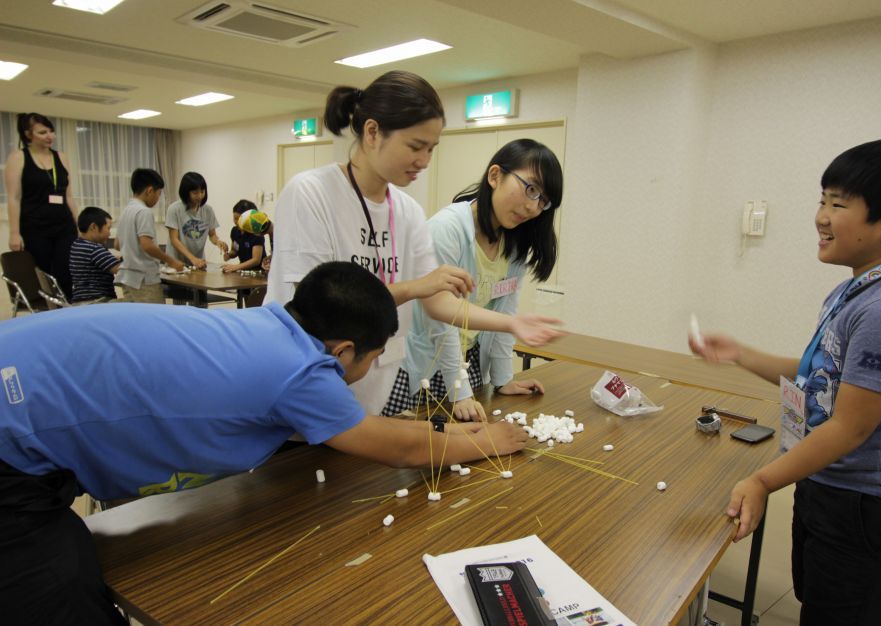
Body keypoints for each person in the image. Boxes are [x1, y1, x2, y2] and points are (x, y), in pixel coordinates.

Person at [0, 261, 527, 624]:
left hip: (20, 380)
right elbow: (398, 449)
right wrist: (490, 443)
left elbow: (395, 424)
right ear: (343, 352)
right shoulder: (300, 373)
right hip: (10, 436)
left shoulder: (274, 322)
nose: (370, 366)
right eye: (373, 355)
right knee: (63, 594)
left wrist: (453, 429)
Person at [690, 137, 881, 625]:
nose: (821, 216)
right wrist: (739, 354)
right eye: (822, 199)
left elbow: (850, 428)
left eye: (839, 203)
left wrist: (763, 480)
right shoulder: (858, 287)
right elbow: (818, 377)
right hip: (830, 486)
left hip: (870, 507)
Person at [265, 70, 562, 415]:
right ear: (373, 132)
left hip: (374, 385)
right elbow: (321, 312)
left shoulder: (407, 211)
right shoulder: (311, 193)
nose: (424, 161)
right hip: (304, 385)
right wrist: (414, 287)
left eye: (432, 149)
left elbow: (440, 304)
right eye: (415, 146)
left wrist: (511, 323)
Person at [390, 139, 563, 420]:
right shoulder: (448, 229)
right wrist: (460, 392)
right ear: (495, 176)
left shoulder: (515, 240)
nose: (533, 207)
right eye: (530, 189)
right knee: (410, 452)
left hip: (466, 362)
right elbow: (440, 320)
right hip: (422, 364)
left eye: (543, 200)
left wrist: (503, 379)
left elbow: (505, 310)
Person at [3, 112, 78, 300]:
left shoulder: (60, 157)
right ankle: (47, 314)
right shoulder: (18, 158)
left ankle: (66, 312)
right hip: (35, 227)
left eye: (51, 131)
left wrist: (78, 224)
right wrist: (14, 232)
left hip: (63, 225)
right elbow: (13, 198)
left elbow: (68, 195)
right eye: (43, 132)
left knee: (66, 272)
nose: (49, 136)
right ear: (28, 134)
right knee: (43, 273)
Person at [114, 168, 184, 303]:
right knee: (154, 319)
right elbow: (147, 245)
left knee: (135, 320)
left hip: (128, 278)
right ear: (149, 191)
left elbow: (117, 244)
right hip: (144, 279)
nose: (158, 198)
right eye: (159, 194)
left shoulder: (126, 210)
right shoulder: (144, 212)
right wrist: (171, 261)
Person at [165, 171, 228, 269]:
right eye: (195, 193)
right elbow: (174, 239)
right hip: (176, 264)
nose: (199, 196)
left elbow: (212, 235)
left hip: (198, 264)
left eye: (202, 192)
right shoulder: (174, 209)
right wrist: (192, 258)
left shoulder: (208, 210)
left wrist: (218, 242)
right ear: (186, 192)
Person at [69, 206, 121, 303]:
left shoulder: (77, 244)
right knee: (134, 305)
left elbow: (103, 260)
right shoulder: (95, 249)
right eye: (108, 228)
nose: (109, 233)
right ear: (93, 227)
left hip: (80, 299)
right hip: (96, 301)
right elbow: (121, 270)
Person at [222, 199, 267, 273]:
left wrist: (236, 267)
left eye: (240, 219)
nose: (236, 222)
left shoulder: (257, 234)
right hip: (244, 272)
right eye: (235, 218)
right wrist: (229, 255)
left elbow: (256, 260)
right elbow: (235, 251)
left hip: (259, 273)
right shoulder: (234, 231)